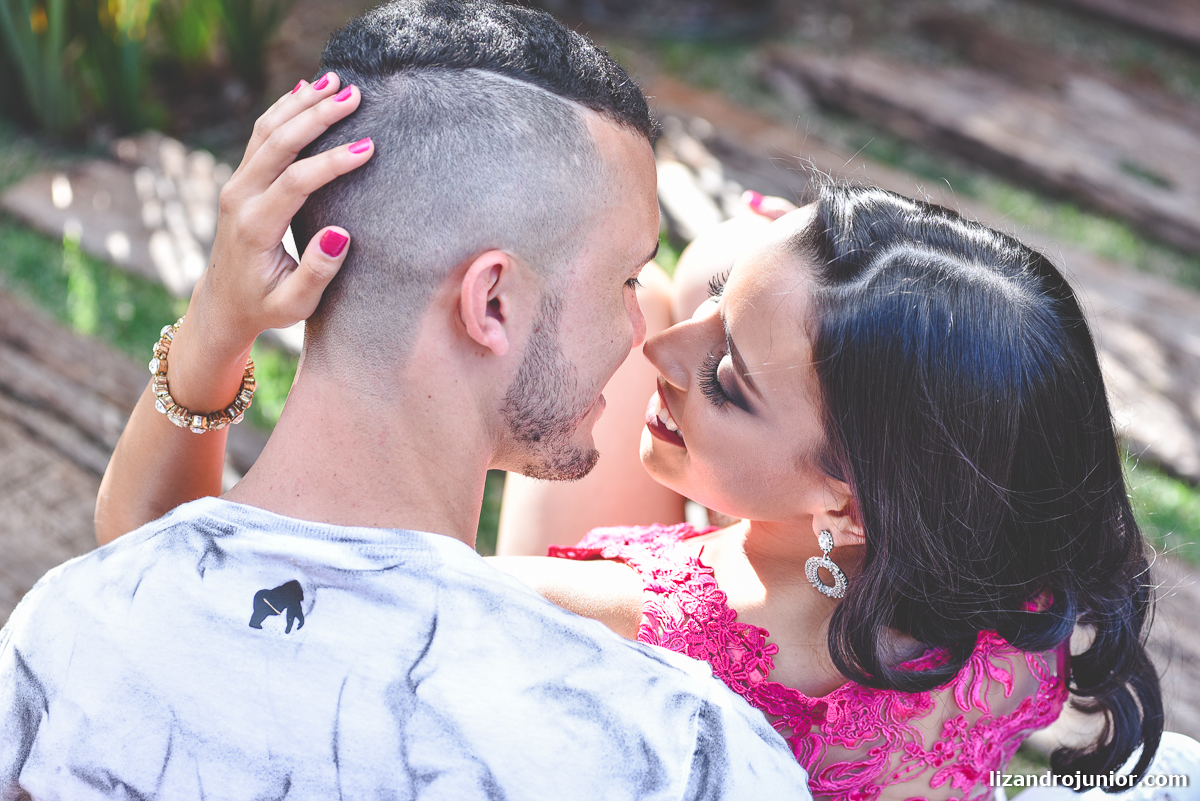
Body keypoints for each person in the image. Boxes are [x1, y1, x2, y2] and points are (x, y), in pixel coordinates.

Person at [95, 167, 1170, 798]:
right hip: (807, 639)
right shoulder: (1020, 583)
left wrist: (218, 323)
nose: (662, 356)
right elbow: (726, 298)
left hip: (631, 682)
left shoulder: (601, 624)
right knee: (685, 275)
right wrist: (744, 288)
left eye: (728, 380)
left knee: (651, 292)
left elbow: (160, 552)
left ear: (842, 502)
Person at [0, 1, 812, 796]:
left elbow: (143, 547)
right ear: (491, 302)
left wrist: (217, 319)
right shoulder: (673, 748)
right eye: (627, 279)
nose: (642, 330)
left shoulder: (60, 637)